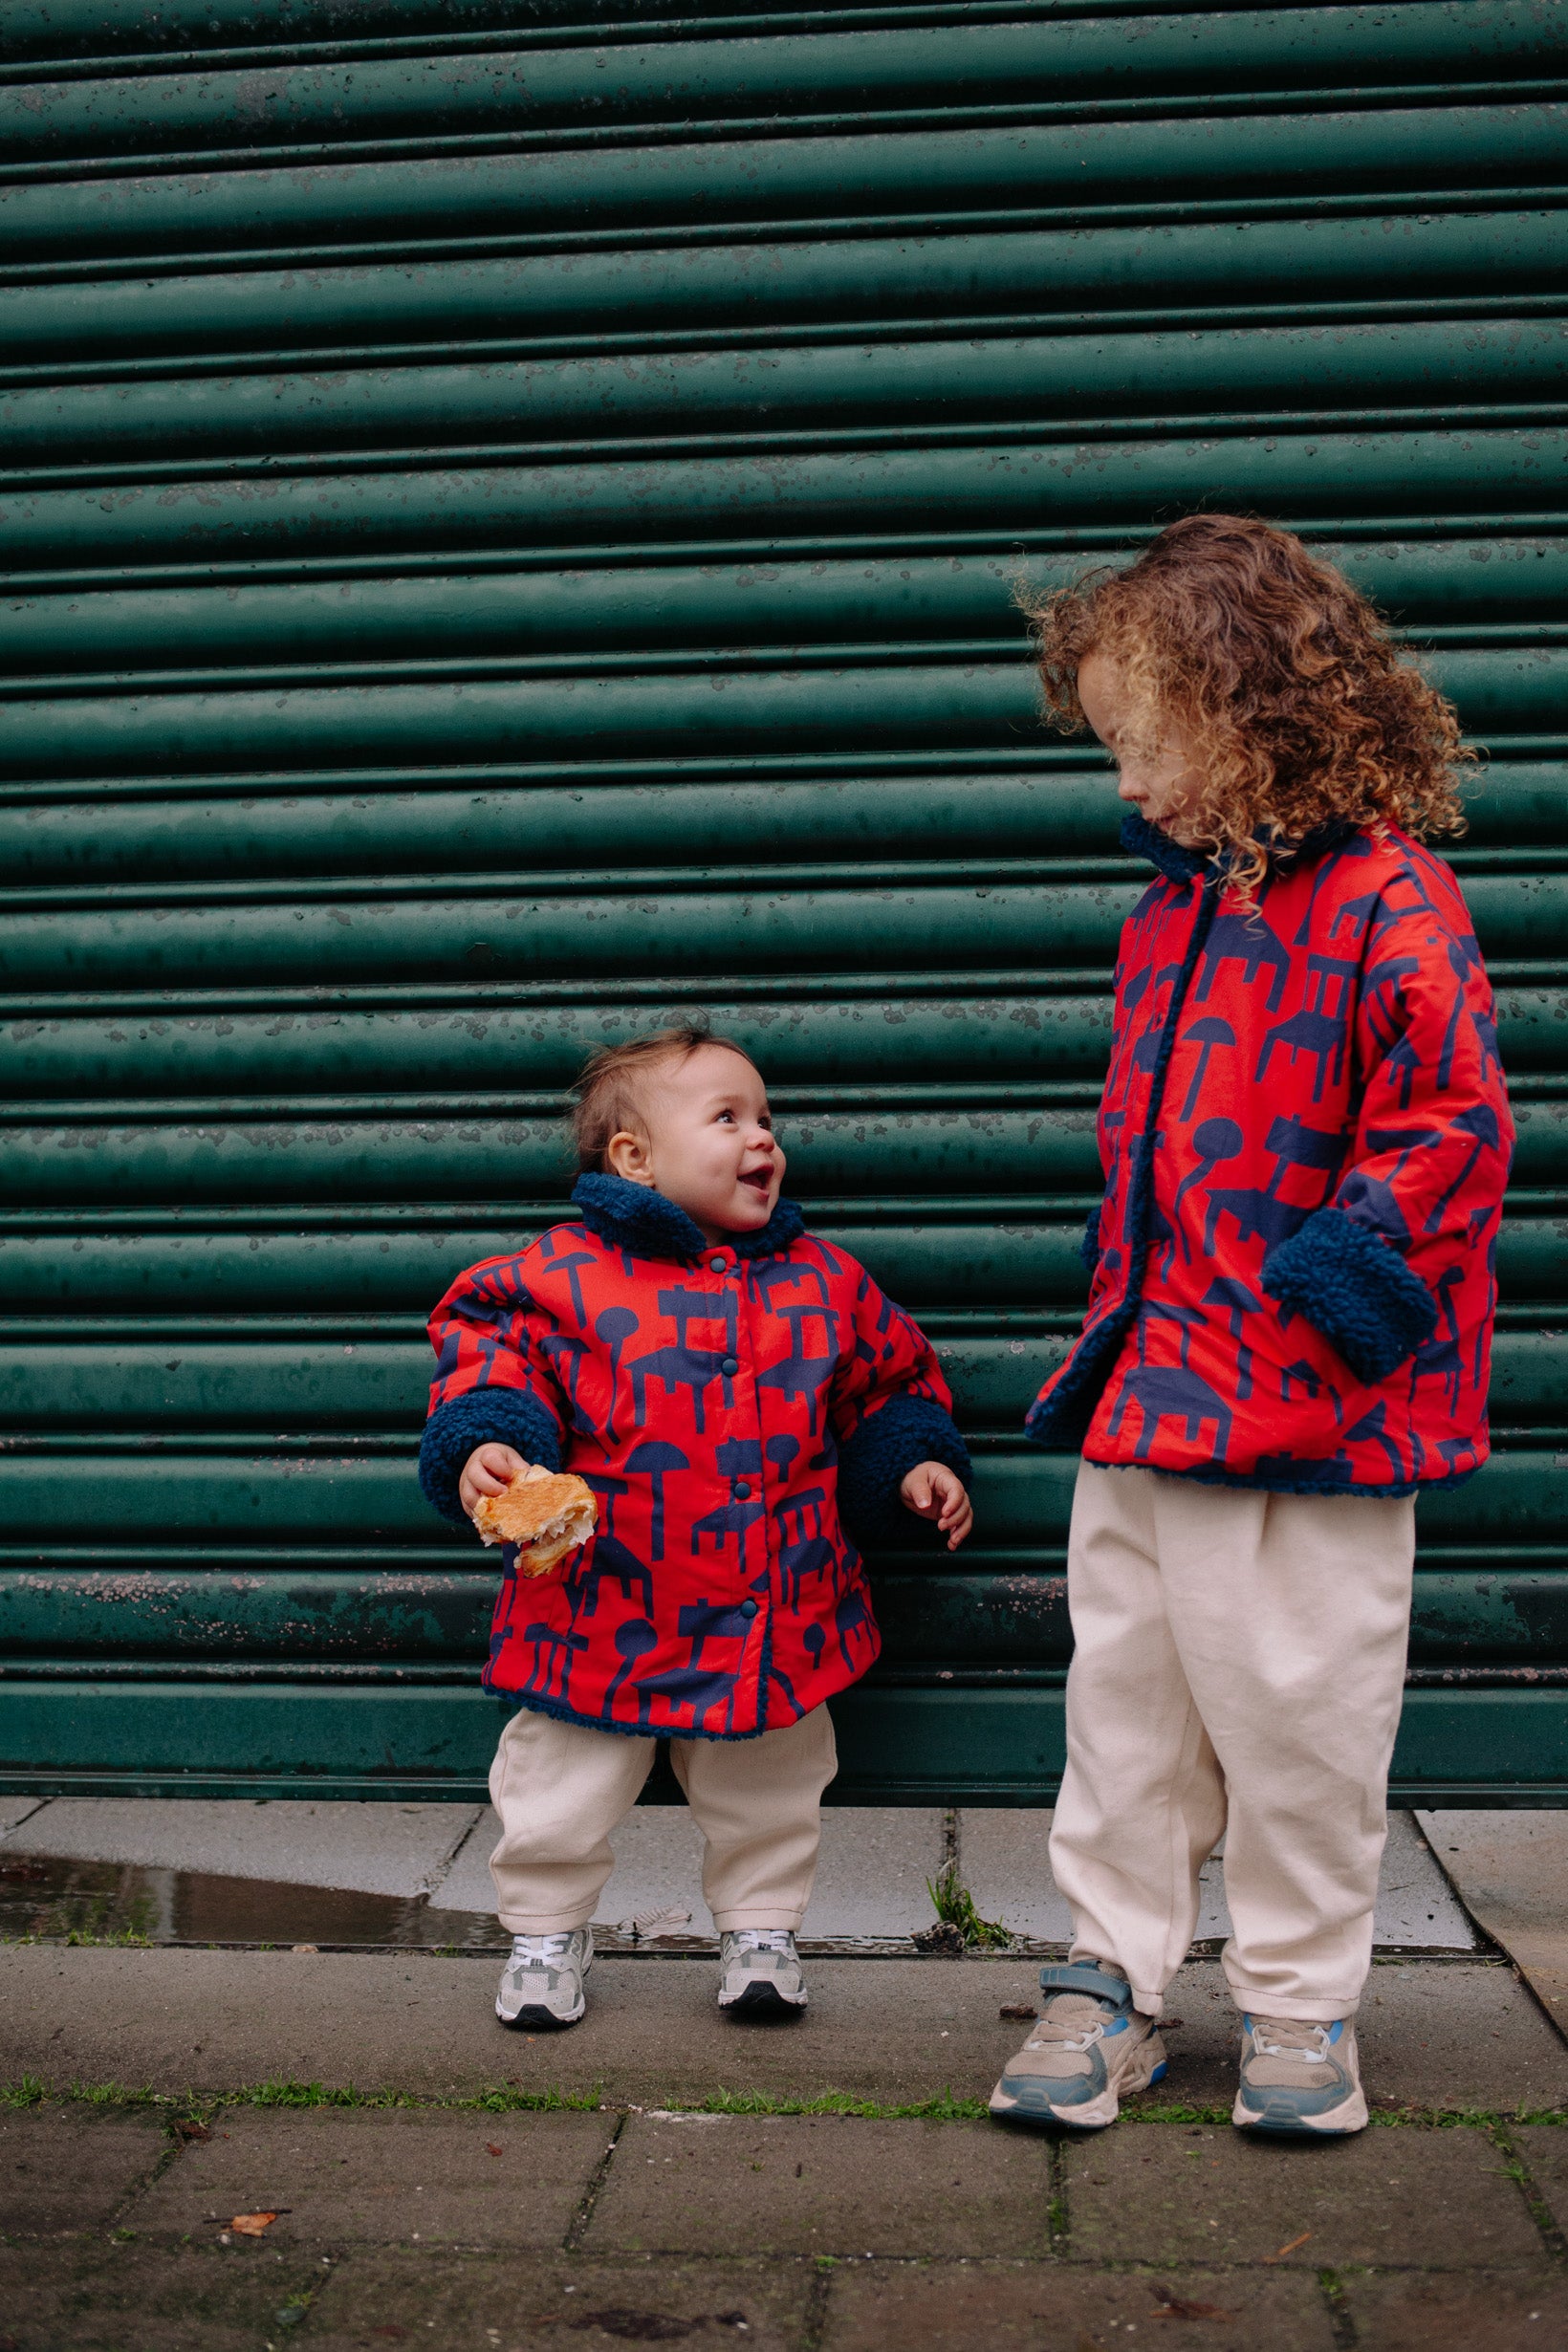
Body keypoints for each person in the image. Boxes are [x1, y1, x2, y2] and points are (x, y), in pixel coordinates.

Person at [991, 515, 1511, 2137]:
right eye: (1113, 750)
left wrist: (1327, 1302)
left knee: (1302, 1722)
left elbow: (1455, 1127)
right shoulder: (1178, 911)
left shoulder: (1387, 904)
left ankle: (1299, 2002)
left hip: (1308, 1414)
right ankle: (1112, 1972)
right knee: (1126, 1705)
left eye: (1149, 747)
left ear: (1260, 713)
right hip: (1151, 1395)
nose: (1127, 786)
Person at [418, 1021, 972, 2030]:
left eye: (766, 1118)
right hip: (600, 1604)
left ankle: (760, 1931)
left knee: (772, 1780)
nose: (762, 1139)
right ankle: (545, 1931)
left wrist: (912, 1459)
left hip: (774, 1607)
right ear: (634, 1158)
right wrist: (486, 1445)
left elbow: (888, 1384)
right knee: (558, 1785)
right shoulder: (556, 1278)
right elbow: (489, 1362)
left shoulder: (822, 1282)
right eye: (727, 1118)